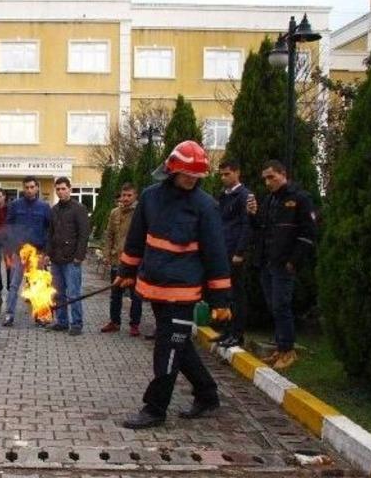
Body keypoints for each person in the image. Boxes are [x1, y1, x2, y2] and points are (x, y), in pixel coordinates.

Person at [117, 141, 232, 429]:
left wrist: (221, 301)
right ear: (171, 169)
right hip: (154, 287)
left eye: (196, 177)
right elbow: (136, 238)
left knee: (167, 347)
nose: (191, 180)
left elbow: (216, 255)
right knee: (179, 345)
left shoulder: (206, 206)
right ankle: (207, 395)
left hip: (183, 293)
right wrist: (127, 270)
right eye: (186, 175)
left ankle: (155, 409)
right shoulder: (151, 197)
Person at [247, 160, 316, 370]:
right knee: (273, 305)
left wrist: (293, 261)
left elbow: (308, 233)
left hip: (283, 263)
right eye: (265, 178)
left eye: (271, 177)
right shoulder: (270, 200)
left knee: (281, 305)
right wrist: (252, 215)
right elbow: (261, 229)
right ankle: (280, 346)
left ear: (283, 174)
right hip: (267, 261)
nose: (268, 182)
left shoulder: (299, 198)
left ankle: (288, 350)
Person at [2, 176, 51, 327]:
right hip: (19, 253)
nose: (29, 190)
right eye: (26, 187)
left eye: (32, 187)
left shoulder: (44, 207)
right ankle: (9, 315)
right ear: (23, 188)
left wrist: (46, 253)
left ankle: (40, 315)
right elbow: (8, 228)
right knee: (14, 285)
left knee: (38, 285)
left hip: (37, 253)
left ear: (37, 188)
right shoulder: (15, 205)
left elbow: (49, 230)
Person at [213, 160, 252, 348]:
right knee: (225, 295)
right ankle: (226, 331)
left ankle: (237, 334)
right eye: (221, 174)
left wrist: (240, 251)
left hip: (234, 252)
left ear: (237, 173)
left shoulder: (244, 196)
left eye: (227, 174)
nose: (223, 178)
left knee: (237, 294)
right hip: (222, 250)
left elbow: (246, 225)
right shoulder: (224, 196)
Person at [45, 177, 90, 336]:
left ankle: (76, 323)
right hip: (56, 260)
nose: (60, 192)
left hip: (72, 260)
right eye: (58, 189)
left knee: (73, 293)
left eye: (63, 188)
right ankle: (62, 322)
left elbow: (84, 234)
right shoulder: (54, 210)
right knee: (58, 293)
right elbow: (50, 234)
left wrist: (79, 256)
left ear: (70, 189)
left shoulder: (79, 209)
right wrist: (48, 254)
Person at [99, 183, 143, 337]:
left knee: (135, 295)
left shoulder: (140, 213)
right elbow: (109, 235)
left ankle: (134, 324)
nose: (125, 198)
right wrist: (106, 254)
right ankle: (114, 322)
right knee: (115, 293)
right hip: (117, 260)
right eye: (124, 195)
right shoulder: (114, 213)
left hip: (135, 262)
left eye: (129, 195)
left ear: (135, 196)